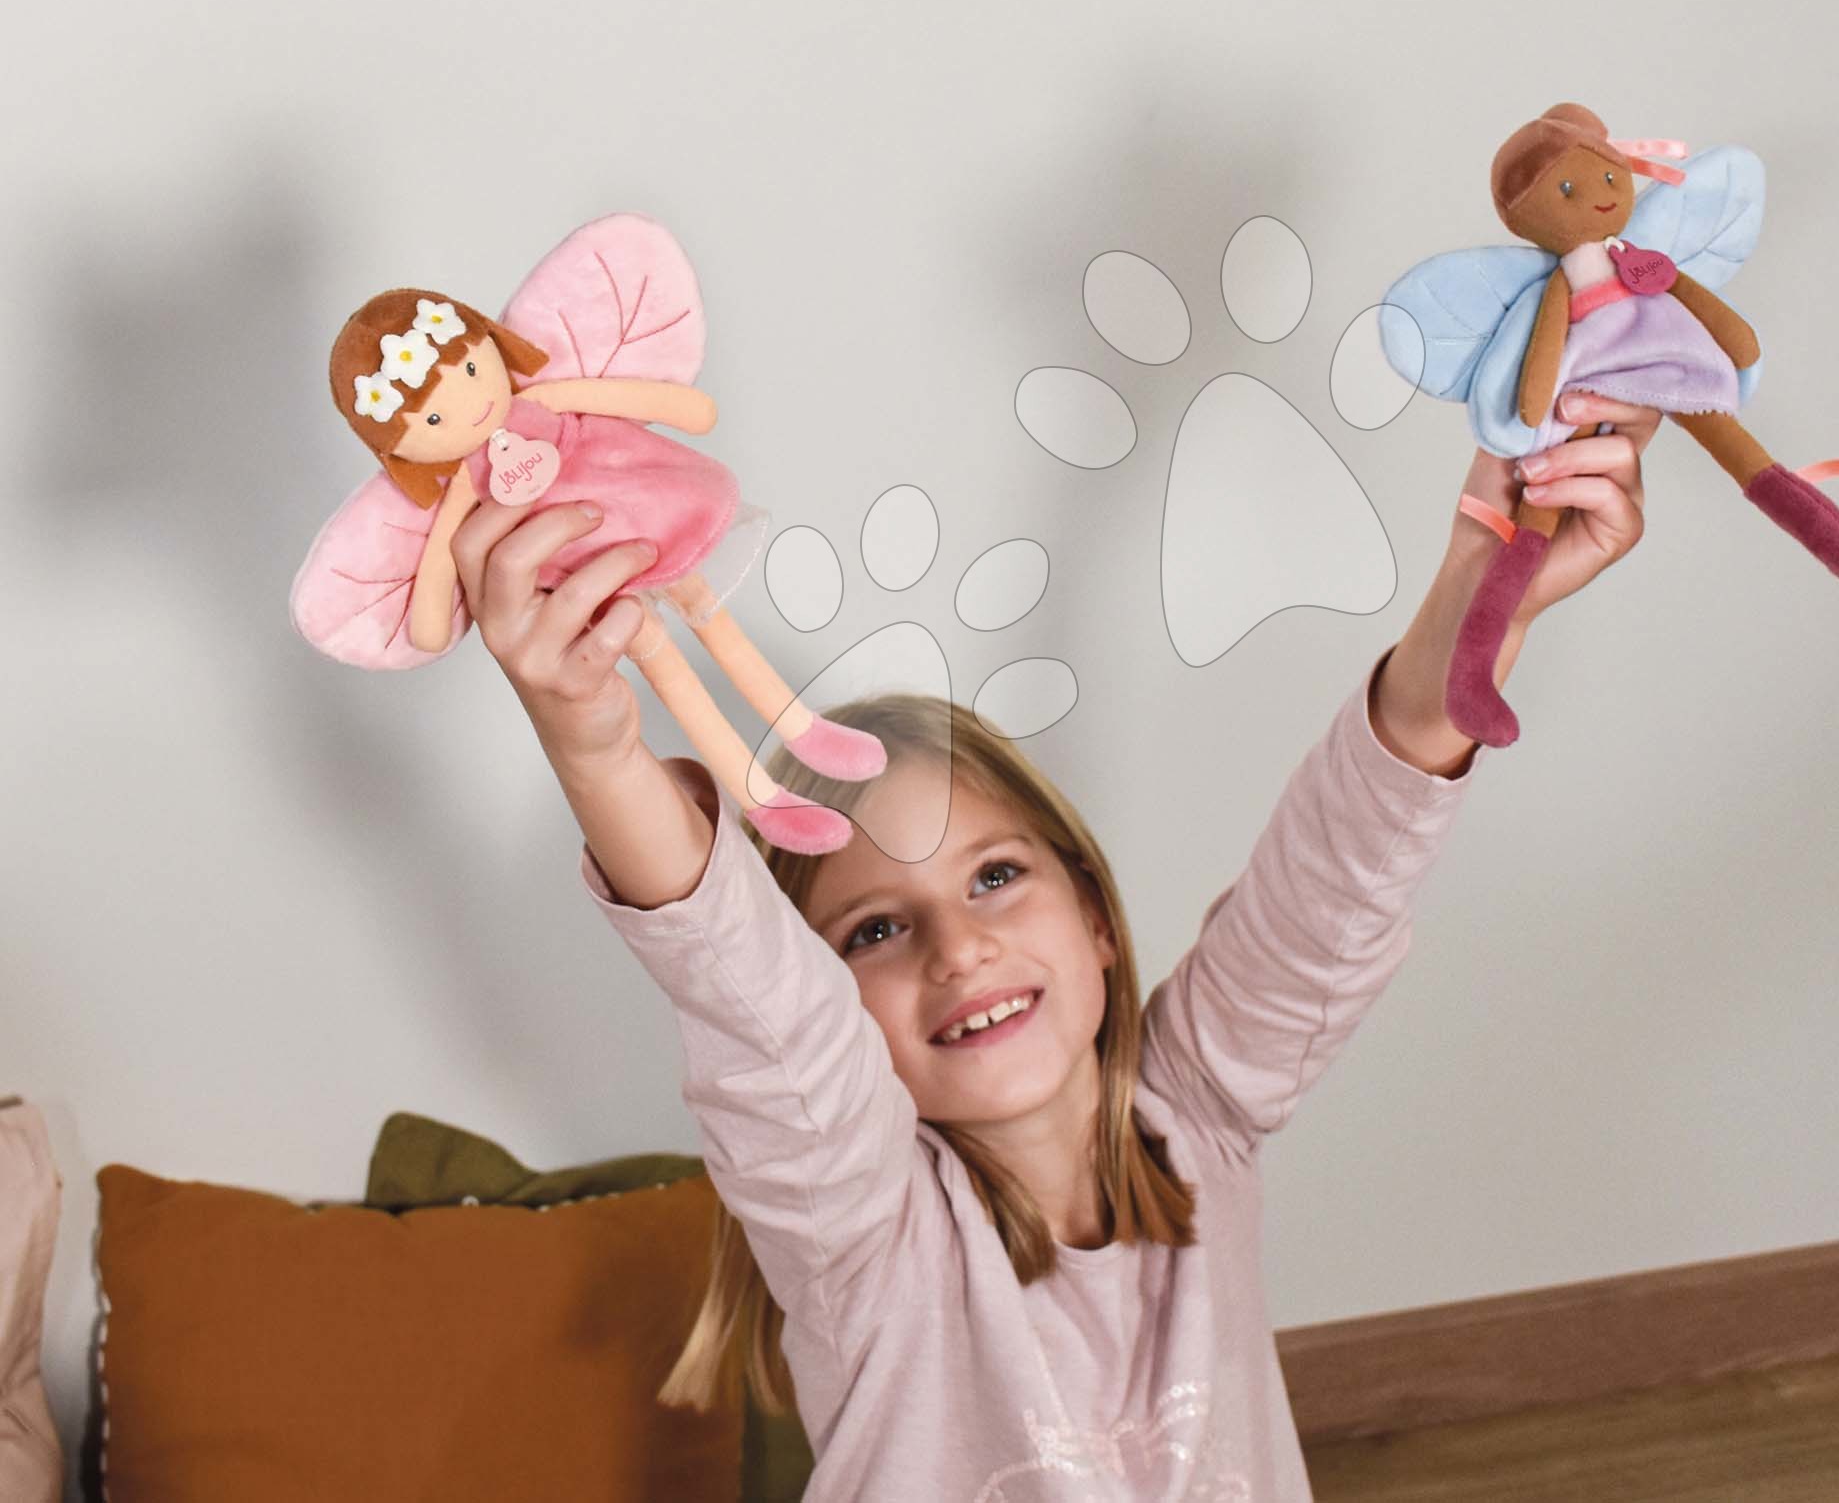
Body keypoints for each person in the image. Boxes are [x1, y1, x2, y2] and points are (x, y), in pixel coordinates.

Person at [453, 391, 1658, 1498]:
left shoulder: (1200, 1118)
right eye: (875, 928)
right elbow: (748, 991)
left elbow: (1343, 864)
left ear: (1091, 914)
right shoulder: (864, 1241)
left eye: (995, 876)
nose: (958, 946)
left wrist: (1486, 584)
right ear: (826, 1000)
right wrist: (594, 743)